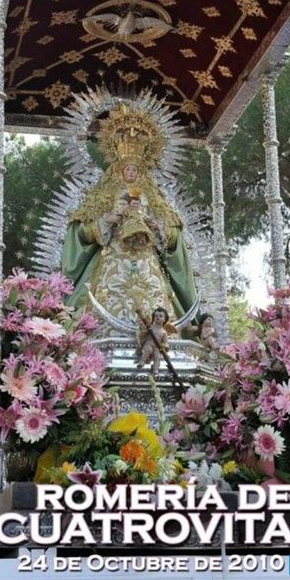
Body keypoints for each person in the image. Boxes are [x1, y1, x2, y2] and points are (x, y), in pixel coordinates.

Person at [61, 104, 199, 330]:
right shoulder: (103, 196)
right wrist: (106, 221)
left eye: (136, 169)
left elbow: (174, 237)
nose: (131, 173)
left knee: (156, 303)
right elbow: (81, 233)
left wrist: (158, 227)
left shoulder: (152, 197)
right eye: (127, 169)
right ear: (118, 168)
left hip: (147, 261)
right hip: (111, 259)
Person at [136, 307, 170, 376]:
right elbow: (144, 334)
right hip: (149, 344)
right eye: (156, 316)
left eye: (160, 316)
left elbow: (166, 343)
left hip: (157, 347)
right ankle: (142, 361)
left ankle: (155, 368)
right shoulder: (150, 327)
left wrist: (165, 346)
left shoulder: (164, 332)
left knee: (157, 356)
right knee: (148, 349)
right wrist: (144, 332)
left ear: (165, 319)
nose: (158, 317)